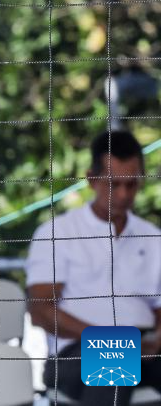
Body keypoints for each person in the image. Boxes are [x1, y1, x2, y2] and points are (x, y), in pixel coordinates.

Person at [27, 130, 161, 405]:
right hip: (75, 354)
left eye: (132, 184)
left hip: (145, 348)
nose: (123, 194)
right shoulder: (57, 232)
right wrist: (105, 339)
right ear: (91, 179)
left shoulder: (153, 237)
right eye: (114, 184)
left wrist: (157, 339)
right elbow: (40, 310)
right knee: (114, 360)